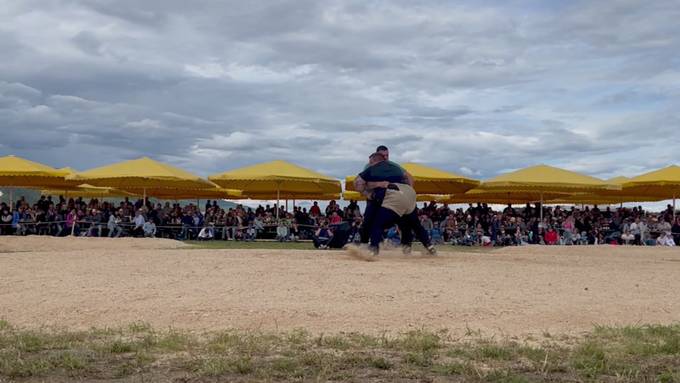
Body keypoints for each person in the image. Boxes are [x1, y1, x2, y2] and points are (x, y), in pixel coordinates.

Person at [355, 152, 435, 255]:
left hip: (393, 195)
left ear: (374, 160)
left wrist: (367, 193)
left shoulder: (372, 169)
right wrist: (409, 190)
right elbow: (410, 177)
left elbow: (357, 183)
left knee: (377, 224)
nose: (369, 164)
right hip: (408, 193)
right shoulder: (395, 166)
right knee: (414, 224)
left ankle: (373, 250)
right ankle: (428, 246)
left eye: (370, 162)